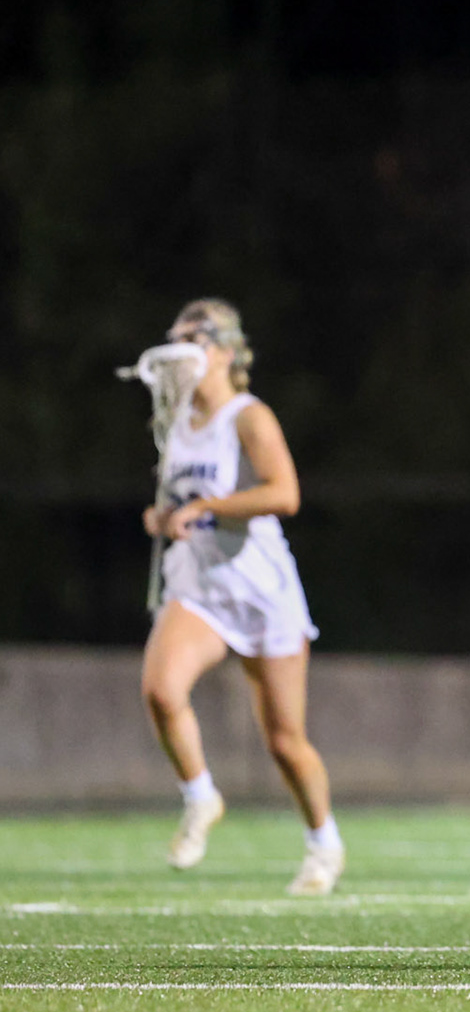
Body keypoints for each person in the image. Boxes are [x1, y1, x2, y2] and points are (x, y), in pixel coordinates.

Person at [138, 299, 344, 896]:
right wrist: (163, 517)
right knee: (160, 688)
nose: (181, 352)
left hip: (261, 592)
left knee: (284, 742)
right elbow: (171, 502)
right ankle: (201, 796)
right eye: (174, 338)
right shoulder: (176, 422)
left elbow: (284, 495)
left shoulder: (249, 417)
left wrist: (208, 507)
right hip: (200, 591)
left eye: (193, 340)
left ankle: (322, 842)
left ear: (225, 351)